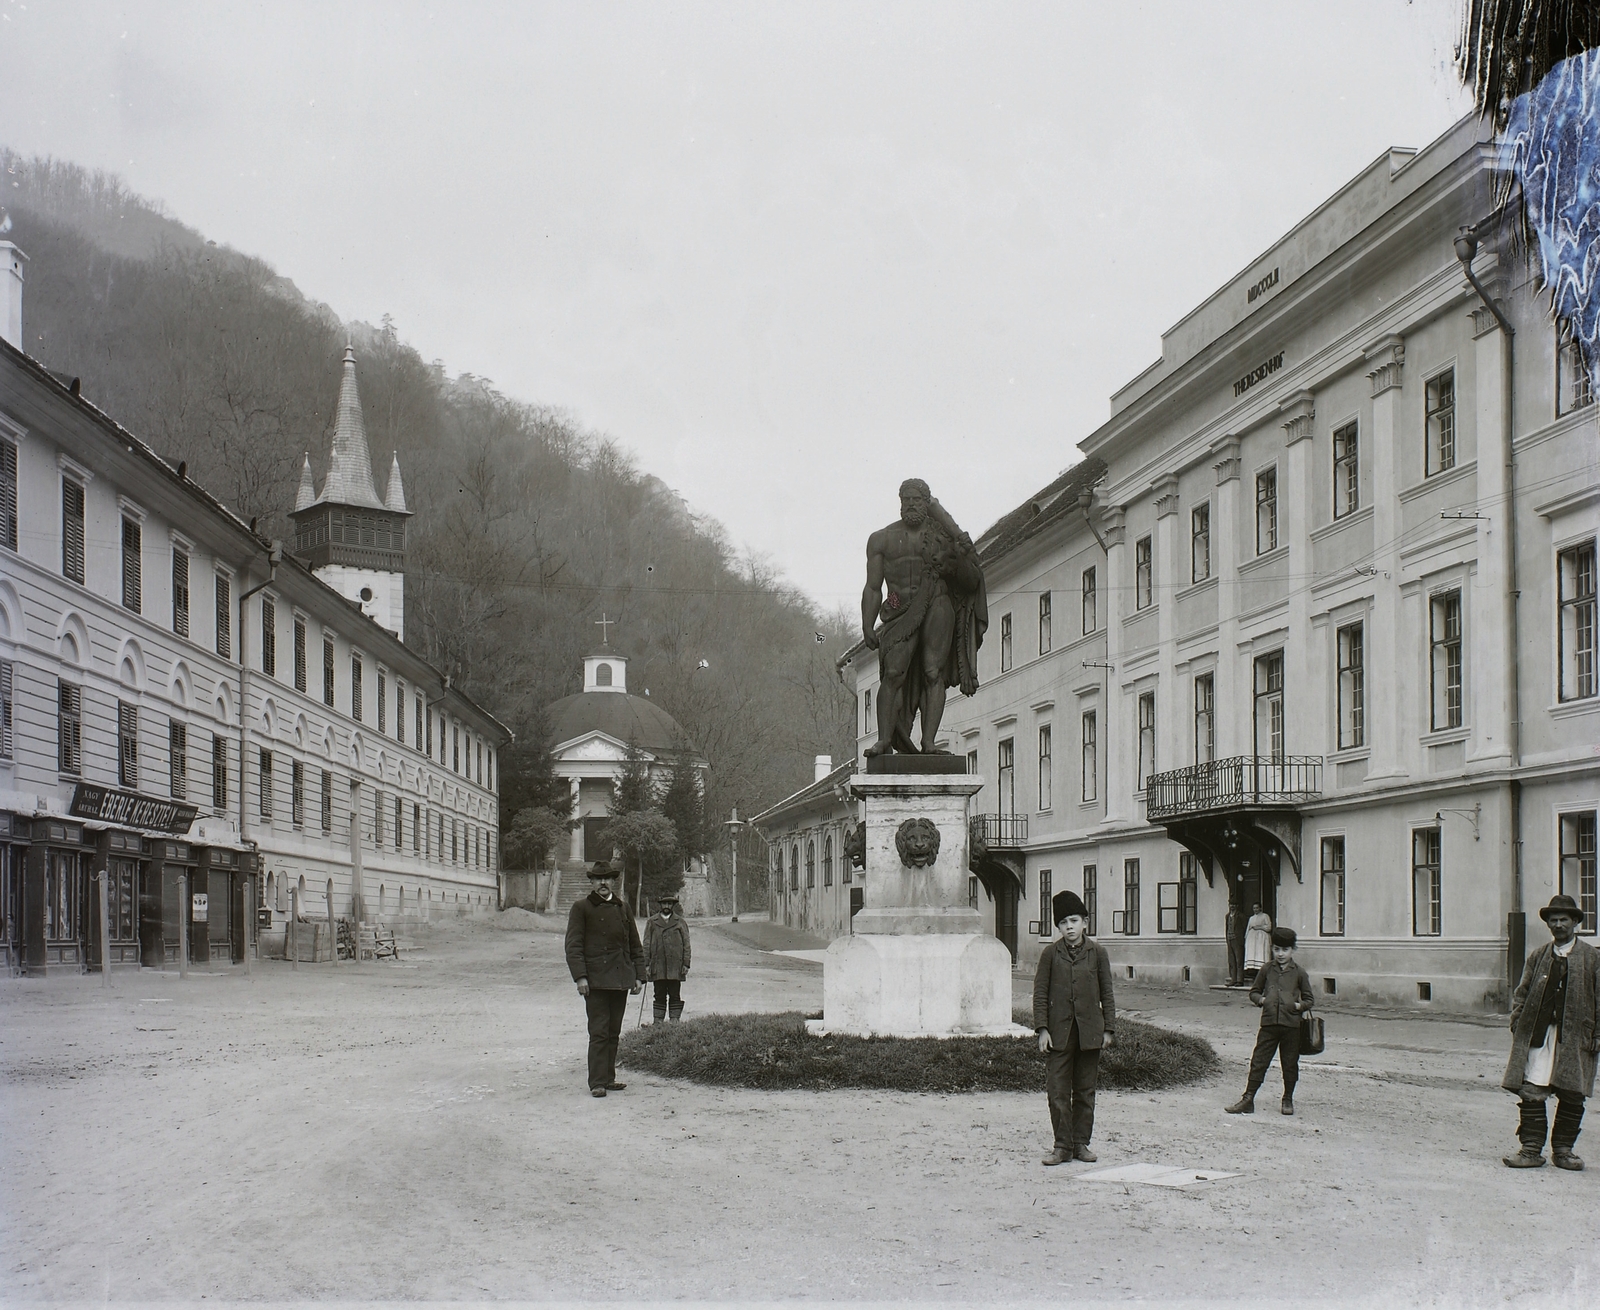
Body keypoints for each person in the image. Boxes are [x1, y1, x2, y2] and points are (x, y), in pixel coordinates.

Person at [861, 479, 987, 756]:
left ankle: (928, 743)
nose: (911, 505)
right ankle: (884, 741)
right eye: (906, 499)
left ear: (927, 504)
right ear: (899, 502)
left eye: (917, 500)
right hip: (897, 607)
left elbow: (969, 581)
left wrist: (964, 554)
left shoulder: (942, 538)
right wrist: (867, 624)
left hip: (937, 603)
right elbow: (873, 587)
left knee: (933, 673)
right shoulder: (881, 539)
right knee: (893, 673)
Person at [1502, 894, 1599, 1170]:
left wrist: (1598, 1035)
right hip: (1539, 1036)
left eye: (1564, 920)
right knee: (1532, 1088)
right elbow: (1522, 993)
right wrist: (1517, 1022)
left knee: (1572, 1091)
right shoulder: (1538, 956)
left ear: (1575, 922)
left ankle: (1564, 1152)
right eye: (1553, 920)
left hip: (1576, 1038)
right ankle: (1531, 1150)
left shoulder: (1592, 958)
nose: (1558, 925)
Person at [1032, 890, 1116, 1167]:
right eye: (1063, 922)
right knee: (1057, 1090)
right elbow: (1040, 993)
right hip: (1059, 1034)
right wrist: (1042, 1029)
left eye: (1074, 920)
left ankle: (1081, 1144)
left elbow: (1108, 993)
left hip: (1090, 1032)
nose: (1069, 926)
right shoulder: (1050, 954)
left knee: (1084, 1091)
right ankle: (1062, 1146)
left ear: (1085, 923)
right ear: (1058, 927)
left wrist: (1109, 1030)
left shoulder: (1098, 953)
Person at [564, 860, 644, 1098]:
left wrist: (639, 976)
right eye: (598, 879)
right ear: (591, 882)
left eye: (607, 879)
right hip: (596, 981)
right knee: (598, 1032)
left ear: (613, 882)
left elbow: (634, 944)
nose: (603, 883)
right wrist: (580, 977)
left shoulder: (623, 908)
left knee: (613, 1031)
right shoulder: (581, 908)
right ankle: (597, 1082)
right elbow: (573, 946)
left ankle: (609, 1078)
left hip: (620, 980)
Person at [1226, 926, 1314, 1117]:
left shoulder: (1299, 972)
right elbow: (1254, 992)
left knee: (1289, 1063)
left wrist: (1298, 1006)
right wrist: (1262, 1000)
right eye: (1276, 949)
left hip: (1291, 1026)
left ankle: (1287, 1099)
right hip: (1268, 1025)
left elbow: (1309, 1000)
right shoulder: (1266, 969)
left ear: (1293, 950)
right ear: (1272, 949)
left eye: (1285, 950)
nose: (1280, 954)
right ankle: (1248, 1099)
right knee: (1259, 1061)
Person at [643, 891, 692, 1024]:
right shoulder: (652, 922)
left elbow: (686, 944)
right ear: (660, 905)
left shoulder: (680, 922)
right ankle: (658, 1021)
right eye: (664, 903)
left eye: (669, 903)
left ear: (673, 905)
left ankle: (674, 1021)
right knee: (659, 994)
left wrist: (686, 964)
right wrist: (646, 964)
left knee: (675, 994)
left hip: (675, 966)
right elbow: (646, 944)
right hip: (658, 965)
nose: (666, 906)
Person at [1243, 903, 1273, 981]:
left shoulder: (1265, 916)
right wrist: (1246, 938)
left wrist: (1259, 927)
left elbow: (1269, 927)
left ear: (1260, 908)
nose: (1255, 910)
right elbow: (1248, 929)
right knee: (1253, 953)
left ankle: (1262, 972)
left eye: (1257, 908)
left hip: (1261, 938)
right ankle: (1253, 972)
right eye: (1254, 908)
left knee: (1260, 953)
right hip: (1252, 939)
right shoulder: (1251, 918)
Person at [1225, 901, 1246, 986]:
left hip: (1238, 940)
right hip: (1230, 940)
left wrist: (1242, 939)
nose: (1232, 906)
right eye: (1231, 905)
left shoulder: (1241, 916)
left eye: (1234, 905)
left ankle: (1239, 980)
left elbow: (1244, 928)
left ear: (1237, 906)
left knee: (1239, 960)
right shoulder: (1227, 916)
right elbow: (1226, 928)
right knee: (1232, 961)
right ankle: (1233, 979)